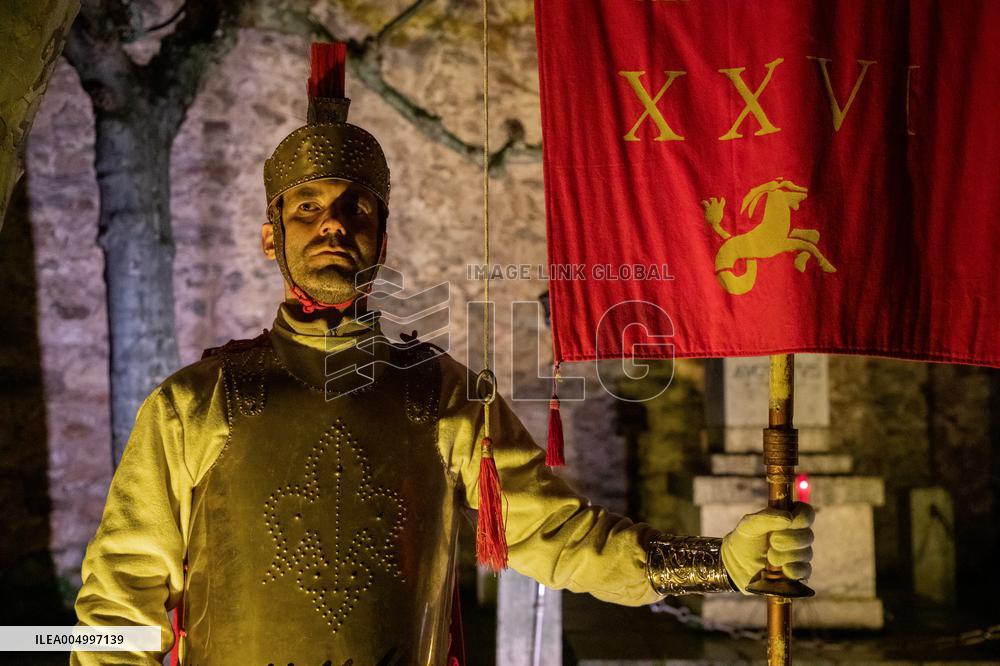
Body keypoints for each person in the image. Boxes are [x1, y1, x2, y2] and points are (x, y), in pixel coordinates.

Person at [71, 43, 814, 665]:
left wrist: (721, 561)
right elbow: (119, 600)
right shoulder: (196, 402)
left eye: (354, 206)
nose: (331, 223)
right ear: (272, 235)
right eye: (306, 208)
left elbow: (558, 538)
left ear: (382, 237)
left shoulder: (443, 395)